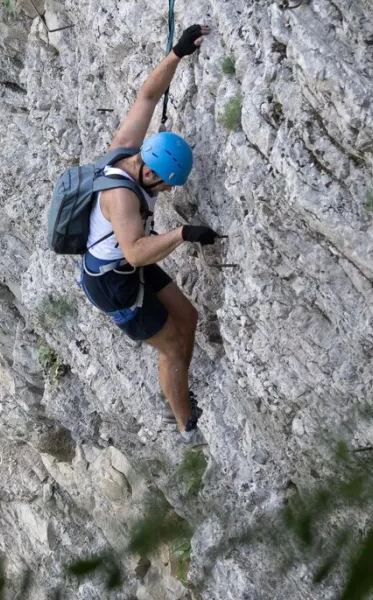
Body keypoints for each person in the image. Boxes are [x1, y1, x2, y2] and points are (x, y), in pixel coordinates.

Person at [81, 24, 223, 446]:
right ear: (150, 172)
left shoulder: (127, 149)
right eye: (165, 185)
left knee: (188, 318)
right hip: (113, 283)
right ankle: (185, 423)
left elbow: (147, 96)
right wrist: (182, 233)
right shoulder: (122, 198)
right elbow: (137, 252)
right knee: (173, 347)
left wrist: (177, 53)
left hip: (126, 264)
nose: (166, 191)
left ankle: (178, 382)